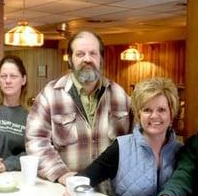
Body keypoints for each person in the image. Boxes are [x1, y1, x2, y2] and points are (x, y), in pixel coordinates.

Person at [25, 30, 131, 187]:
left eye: (93, 54)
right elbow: (35, 140)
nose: (87, 59)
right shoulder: (50, 94)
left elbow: (134, 141)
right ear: (70, 60)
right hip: (66, 192)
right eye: (80, 54)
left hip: (111, 194)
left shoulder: (119, 95)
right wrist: (62, 174)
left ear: (101, 59)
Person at [63, 77, 182, 196]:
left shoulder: (182, 151)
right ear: (138, 114)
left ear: (171, 114)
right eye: (147, 110)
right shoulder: (121, 147)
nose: (154, 116)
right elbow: (84, 178)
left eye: (161, 110)